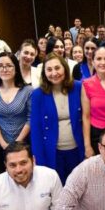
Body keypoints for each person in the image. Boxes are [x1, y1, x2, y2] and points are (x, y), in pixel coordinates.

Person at [30, 54, 84, 183]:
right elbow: (36, 129)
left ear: (64, 69)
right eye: (49, 70)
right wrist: (39, 158)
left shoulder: (78, 87)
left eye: (57, 68)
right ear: (44, 73)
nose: (54, 73)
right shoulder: (38, 94)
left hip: (77, 149)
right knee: (58, 187)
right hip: (53, 152)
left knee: (79, 186)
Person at [0, 52, 32, 176]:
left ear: (16, 68)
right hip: (0, 146)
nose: (4, 69)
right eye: (0, 66)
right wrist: (3, 144)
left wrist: (17, 143)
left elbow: (30, 118)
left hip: (25, 144)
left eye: (9, 66)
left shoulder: (28, 91)